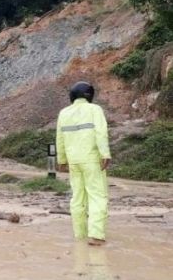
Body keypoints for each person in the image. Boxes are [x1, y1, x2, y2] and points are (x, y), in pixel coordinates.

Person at [56, 81, 111, 246]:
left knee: (77, 197)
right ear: (89, 95)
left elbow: (60, 138)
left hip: (74, 161)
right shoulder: (95, 110)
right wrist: (105, 154)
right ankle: (96, 235)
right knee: (97, 196)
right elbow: (101, 133)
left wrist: (61, 160)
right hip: (92, 160)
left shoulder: (64, 113)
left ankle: (79, 234)